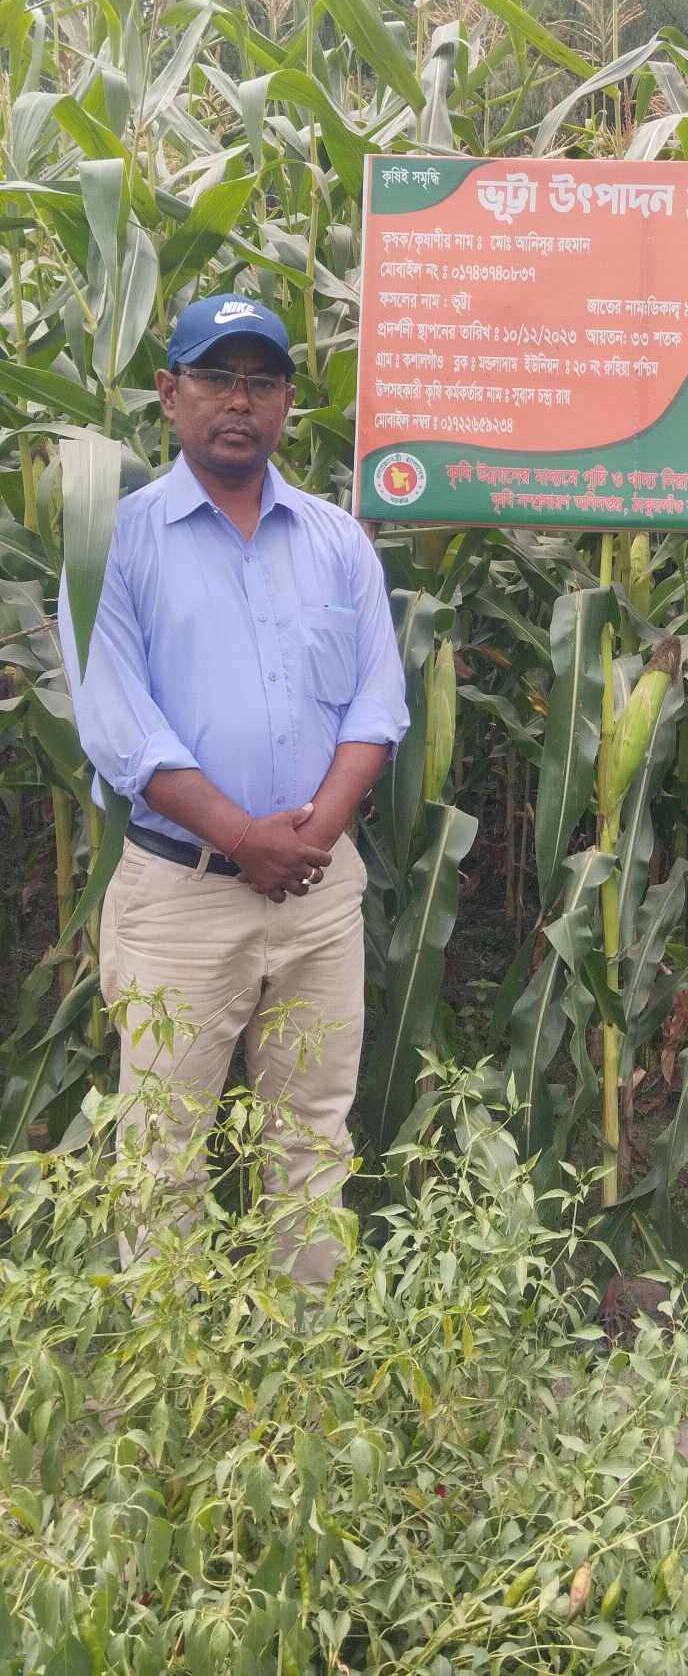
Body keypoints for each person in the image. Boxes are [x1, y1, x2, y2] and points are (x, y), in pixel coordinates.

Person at [59, 293, 409, 1281]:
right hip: (180, 896)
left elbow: (376, 705)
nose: (239, 401)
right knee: (162, 1146)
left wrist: (308, 840)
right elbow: (120, 725)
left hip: (316, 895)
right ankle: (174, 1360)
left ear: (289, 401)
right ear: (169, 393)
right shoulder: (115, 543)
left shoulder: (338, 540)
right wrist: (245, 839)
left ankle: (304, 1350)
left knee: (312, 1136)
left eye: (261, 381)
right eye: (216, 377)